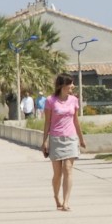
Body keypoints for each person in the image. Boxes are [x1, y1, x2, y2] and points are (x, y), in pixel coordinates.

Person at [43, 74, 83, 211]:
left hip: (71, 138)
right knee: (57, 173)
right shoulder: (50, 100)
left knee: (68, 169)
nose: (73, 86)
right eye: (70, 84)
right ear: (62, 85)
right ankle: (56, 197)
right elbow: (47, 122)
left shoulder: (74, 100)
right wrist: (44, 141)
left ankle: (66, 201)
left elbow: (76, 121)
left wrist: (81, 139)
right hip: (55, 138)